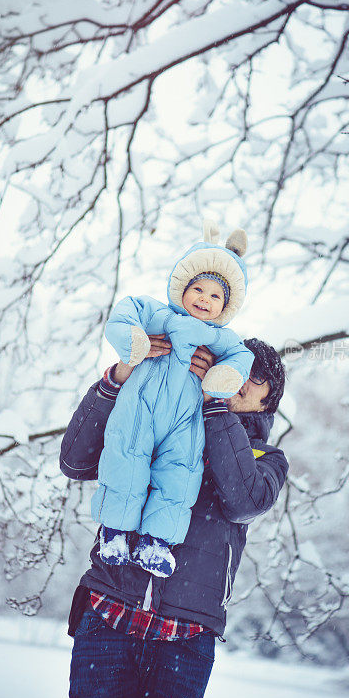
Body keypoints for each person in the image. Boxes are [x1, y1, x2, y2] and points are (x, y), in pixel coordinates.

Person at [60, 335, 288, 698]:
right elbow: (75, 460)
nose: (242, 380)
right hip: (109, 616)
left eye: (256, 378)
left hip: (185, 641)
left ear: (267, 402)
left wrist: (214, 405)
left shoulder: (267, 460)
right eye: (237, 366)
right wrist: (118, 380)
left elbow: (243, 500)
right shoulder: (159, 419)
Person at [92, 221, 254, 577]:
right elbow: (122, 314)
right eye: (198, 288)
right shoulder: (157, 314)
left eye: (215, 296)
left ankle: (156, 542)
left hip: (186, 420)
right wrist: (135, 340)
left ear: (225, 306)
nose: (204, 299)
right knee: (127, 461)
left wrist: (224, 376)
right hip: (140, 408)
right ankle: (114, 531)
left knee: (180, 474)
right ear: (181, 287)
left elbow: (242, 359)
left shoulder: (221, 338)